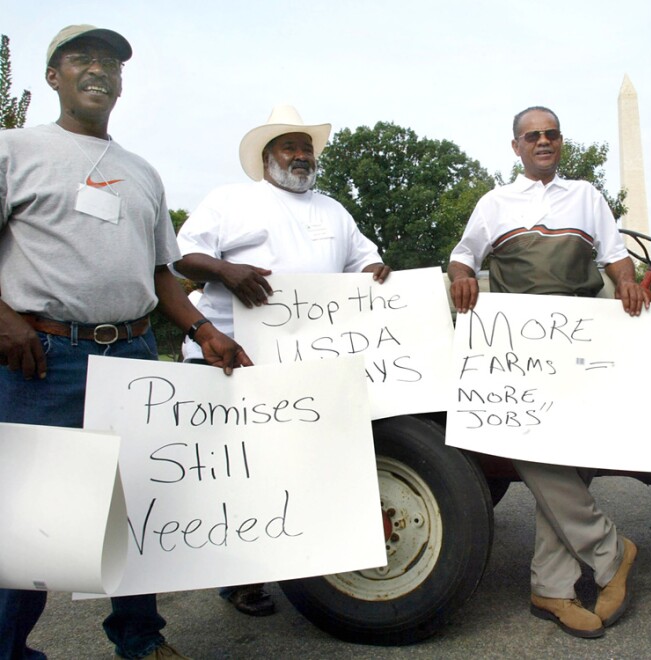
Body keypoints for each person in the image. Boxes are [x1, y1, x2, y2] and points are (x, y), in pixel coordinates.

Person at [0, 25, 251, 659]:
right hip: (42, 360)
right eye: (81, 58)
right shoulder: (14, 149)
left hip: (134, 357)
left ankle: (140, 640)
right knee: (32, 522)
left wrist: (203, 328)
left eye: (110, 62)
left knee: (135, 507)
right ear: (53, 76)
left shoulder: (142, 174)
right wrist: (3, 317)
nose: (98, 70)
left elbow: (164, 275)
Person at [172, 103, 390, 616]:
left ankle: (302, 562)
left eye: (306, 148)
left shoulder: (334, 209)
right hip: (230, 354)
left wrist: (378, 268)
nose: (300, 156)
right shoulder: (231, 200)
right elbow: (181, 254)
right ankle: (239, 578)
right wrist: (227, 271)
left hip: (306, 362)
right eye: (289, 147)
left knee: (297, 469)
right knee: (237, 474)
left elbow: (366, 260)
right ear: (266, 157)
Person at [447, 106, 650, 639]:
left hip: (582, 340)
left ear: (561, 143)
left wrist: (628, 284)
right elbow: (463, 255)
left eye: (552, 134)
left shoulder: (587, 196)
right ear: (515, 147)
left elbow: (614, 258)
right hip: (519, 348)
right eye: (532, 135)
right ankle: (609, 551)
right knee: (532, 450)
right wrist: (463, 276)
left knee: (570, 455)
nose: (543, 141)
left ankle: (551, 589)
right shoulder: (495, 203)